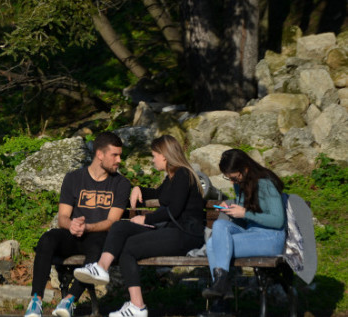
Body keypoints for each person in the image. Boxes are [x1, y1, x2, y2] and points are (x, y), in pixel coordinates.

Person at [72, 135, 205, 317]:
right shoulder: (172, 177)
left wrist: (145, 220)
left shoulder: (183, 174)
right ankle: (102, 268)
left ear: (164, 156)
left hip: (186, 234)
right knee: (120, 227)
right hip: (171, 230)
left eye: (154, 155)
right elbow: (157, 193)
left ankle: (138, 306)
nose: (153, 159)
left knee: (129, 248)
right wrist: (138, 189)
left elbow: (174, 210)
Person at [25, 132, 130, 317]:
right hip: (73, 236)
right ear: (100, 154)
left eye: (120, 155)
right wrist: (72, 224)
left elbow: (112, 221)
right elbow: (62, 217)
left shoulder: (121, 184)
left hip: (98, 236)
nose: (119, 160)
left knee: (98, 245)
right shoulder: (73, 178)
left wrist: (88, 227)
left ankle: (69, 301)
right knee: (47, 239)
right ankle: (35, 301)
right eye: (115, 155)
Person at [201, 149, 286, 304]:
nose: (232, 182)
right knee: (218, 228)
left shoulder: (265, 183)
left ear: (245, 168)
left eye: (234, 178)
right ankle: (222, 289)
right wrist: (231, 208)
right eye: (229, 179)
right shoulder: (241, 183)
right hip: (252, 234)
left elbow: (278, 220)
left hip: (271, 238)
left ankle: (221, 301)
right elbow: (246, 213)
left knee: (214, 245)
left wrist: (245, 213)